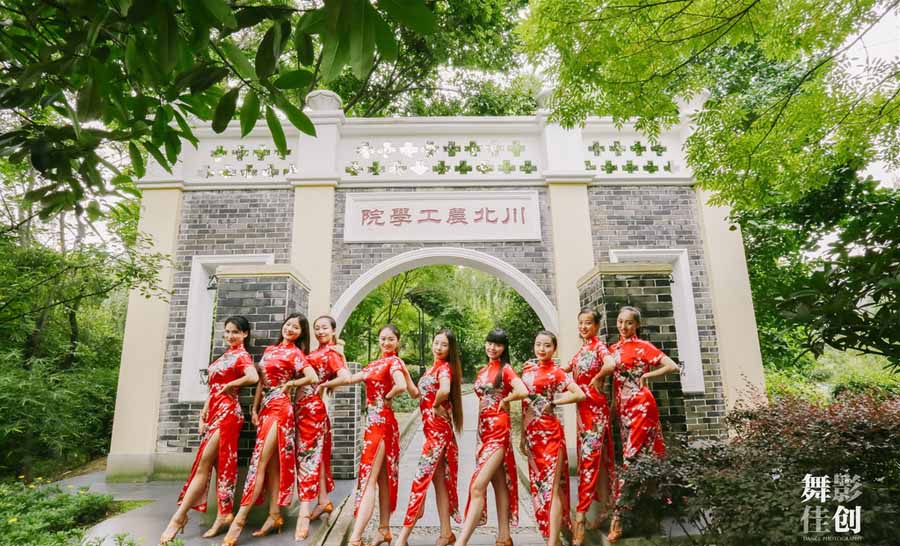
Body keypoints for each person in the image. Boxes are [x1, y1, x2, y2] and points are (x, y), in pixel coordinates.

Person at [159, 317, 259, 544]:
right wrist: (203, 412)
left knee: (203, 464)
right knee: (215, 464)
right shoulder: (224, 356)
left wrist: (232, 385)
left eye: (235, 332)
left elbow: (252, 377)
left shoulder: (241, 355)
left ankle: (179, 517)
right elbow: (213, 389)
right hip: (214, 412)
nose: (230, 335)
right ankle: (224, 512)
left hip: (228, 414)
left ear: (245, 334)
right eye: (227, 331)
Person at [222, 313, 317, 545]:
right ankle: (274, 515)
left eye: (296, 327)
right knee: (273, 464)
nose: (290, 329)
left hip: (281, 410)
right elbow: (261, 382)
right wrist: (254, 409)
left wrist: (290, 384)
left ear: (301, 333)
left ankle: (239, 521)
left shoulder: (296, 354)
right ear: (283, 326)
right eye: (288, 325)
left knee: (259, 462)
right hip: (264, 409)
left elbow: (312, 376)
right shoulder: (269, 351)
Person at [607, 306, 680, 543]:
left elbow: (672, 365)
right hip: (624, 411)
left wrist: (647, 377)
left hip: (641, 407)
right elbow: (614, 382)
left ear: (636, 325)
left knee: (630, 460)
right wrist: (611, 407)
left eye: (629, 323)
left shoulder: (643, 347)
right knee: (644, 460)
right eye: (620, 321)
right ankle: (649, 517)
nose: (623, 326)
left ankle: (617, 520)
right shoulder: (613, 349)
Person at [455, 329, 528, 546]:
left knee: (477, 486)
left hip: (499, 431)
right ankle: (504, 537)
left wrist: (506, 399)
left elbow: (522, 390)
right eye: (489, 343)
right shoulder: (482, 372)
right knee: (499, 484)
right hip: (484, 432)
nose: (492, 348)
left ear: (504, 348)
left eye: (497, 344)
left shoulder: (505, 370)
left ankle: (461, 541)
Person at [395, 329, 465, 546]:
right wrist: (404, 372)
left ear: (450, 349)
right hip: (432, 432)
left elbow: (444, 390)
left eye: (444, 345)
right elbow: (416, 394)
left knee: (420, 481)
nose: (438, 348)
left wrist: (435, 405)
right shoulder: (432, 368)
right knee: (438, 483)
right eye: (436, 343)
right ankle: (446, 533)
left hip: (438, 435)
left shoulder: (444, 368)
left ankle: (402, 539)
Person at [345, 324, 409, 546]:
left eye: (390, 339)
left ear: (397, 341)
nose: (385, 343)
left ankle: (356, 537)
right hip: (373, 424)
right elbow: (350, 379)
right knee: (381, 478)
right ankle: (384, 530)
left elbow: (401, 386)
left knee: (369, 479)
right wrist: (324, 381)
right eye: (382, 339)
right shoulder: (374, 364)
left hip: (381, 424)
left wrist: (388, 396)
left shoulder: (394, 362)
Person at [520, 331, 585, 546]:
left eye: (547, 345)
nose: (542, 349)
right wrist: (522, 437)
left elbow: (579, 394)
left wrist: (555, 403)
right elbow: (523, 407)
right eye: (538, 344)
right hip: (532, 438)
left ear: (554, 349)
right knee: (539, 488)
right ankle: (552, 537)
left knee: (552, 488)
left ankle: (552, 541)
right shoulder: (527, 371)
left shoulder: (557, 373)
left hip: (550, 437)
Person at [561, 307, 617, 544]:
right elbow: (565, 373)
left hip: (596, 413)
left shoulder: (598, 347)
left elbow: (611, 364)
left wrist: (597, 378)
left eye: (588, 323)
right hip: (582, 415)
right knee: (598, 463)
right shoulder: (581, 351)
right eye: (581, 323)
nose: (584, 327)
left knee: (589, 462)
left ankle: (581, 518)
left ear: (596, 326)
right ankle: (609, 513)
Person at [294, 315, 352, 540]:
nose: (320, 331)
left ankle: (304, 513)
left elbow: (346, 377)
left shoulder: (331, 353)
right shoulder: (315, 352)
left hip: (312, 412)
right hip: (302, 410)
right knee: (314, 457)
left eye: (324, 328)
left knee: (307, 459)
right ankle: (324, 500)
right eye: (317, 328)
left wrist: (325, 384)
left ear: (333, 330)